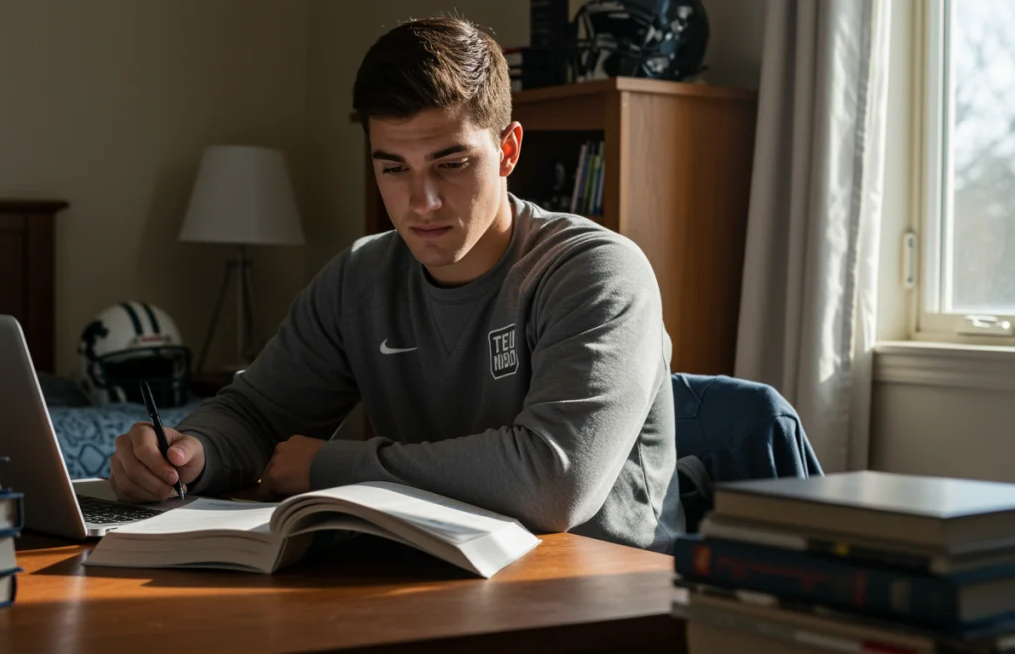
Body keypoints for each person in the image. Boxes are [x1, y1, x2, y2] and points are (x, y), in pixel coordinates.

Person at [108, 15, 684, 553]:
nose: (422, 202)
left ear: (508, 150)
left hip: (601, 598)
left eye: (451, 163)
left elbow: (556, 481)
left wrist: (331, 467)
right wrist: (188, 453)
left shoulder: (596, 273)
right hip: (432, 582)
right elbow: (257, 414)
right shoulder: (359, 279)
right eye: (393, 168)